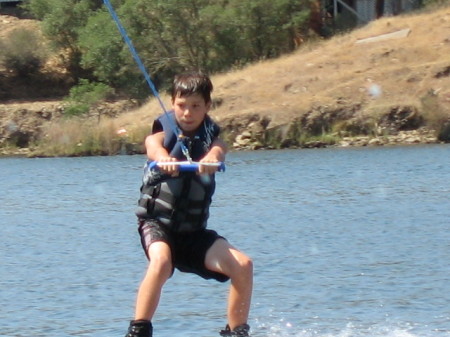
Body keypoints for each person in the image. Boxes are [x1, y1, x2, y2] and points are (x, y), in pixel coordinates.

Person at [125, 72, 253, 337]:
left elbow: (220, 149)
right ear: (172, 103)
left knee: (243, 265)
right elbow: (152, 144)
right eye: (182, 105)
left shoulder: (212, 137)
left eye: (196, 106)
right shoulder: (163, 130)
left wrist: (211, 158)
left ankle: (236, 332)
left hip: (193, 233)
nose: (187, 112)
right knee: (161, 263)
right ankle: (139, 331)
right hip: (158, 225)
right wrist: (163, 158)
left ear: (207, 106)